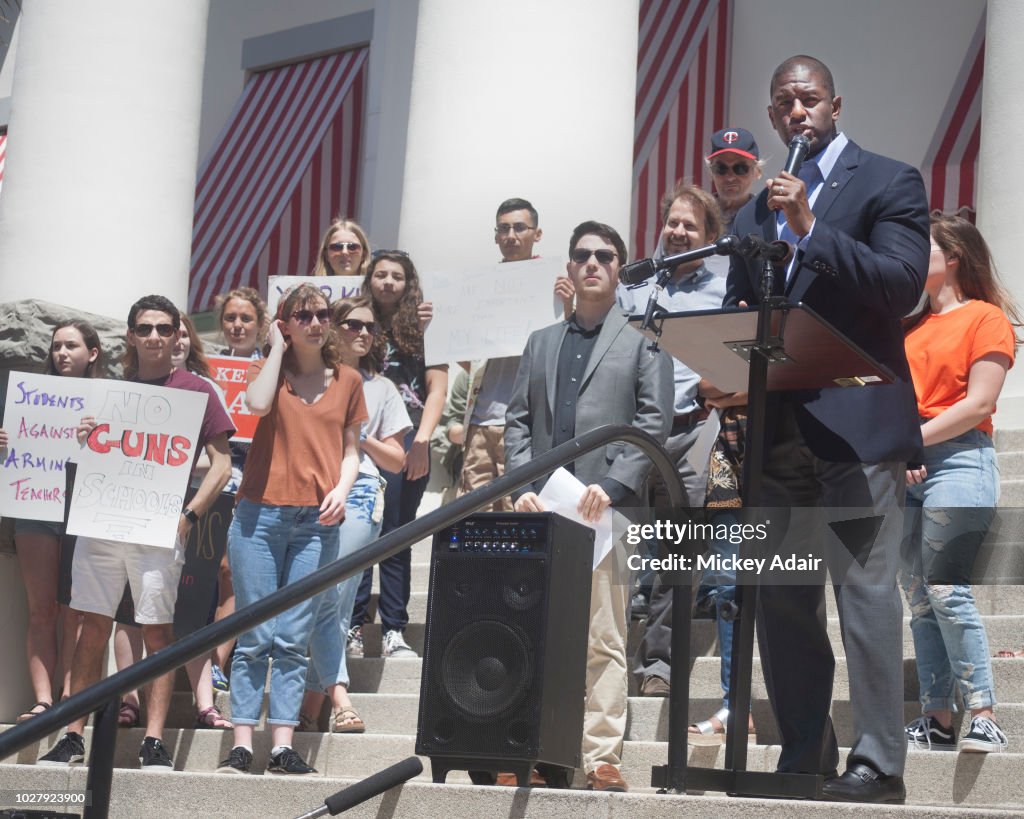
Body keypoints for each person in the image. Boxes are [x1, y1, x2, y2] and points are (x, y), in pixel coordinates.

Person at [724, 55, 930, 803]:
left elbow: (902, 286)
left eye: (808, 98)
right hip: (778, 423)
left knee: (864, 587)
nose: (797, 112)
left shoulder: (889, 181)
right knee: (780, 592)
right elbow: (745, 311)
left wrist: (811, 227)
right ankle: (804, 747)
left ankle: (880, 760)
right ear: (774, 118)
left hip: (857, 421)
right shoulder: (751, 210)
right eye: (784, 103)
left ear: (835, 105)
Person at [505, 220, 673, 791]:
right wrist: (520, 483)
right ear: (570, 268)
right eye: (583, 255)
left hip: (607, 508)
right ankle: (533, 746)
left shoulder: (644, 339)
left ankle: (602, 757)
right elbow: (519, 420)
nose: (593, 263)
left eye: (605, 255)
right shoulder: (540, 342)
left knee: (603, 637)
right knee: (536, 632)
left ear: (619, 268)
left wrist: (621, 481)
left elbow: (654, 421)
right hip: (544, 506)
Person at [39, 296, 234, 771]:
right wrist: (84, 440)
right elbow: (88, 462)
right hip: (102, 526)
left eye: (163, 329)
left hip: (158, 529)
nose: (154, 337)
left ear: (176, 335)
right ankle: (71, 737)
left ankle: (153, 741)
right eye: (144, 328)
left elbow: (224, 464)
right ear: (130, 336)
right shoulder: (112, 391)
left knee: (157, 631)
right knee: (90, 629)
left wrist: (188, 516)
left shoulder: (197, 390)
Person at [217, 284, 366, 776]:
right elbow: (256, 406)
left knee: (293, 635)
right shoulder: (270, 370)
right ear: (286, 322)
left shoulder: (348, 379)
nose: (315, 322)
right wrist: (276, 345)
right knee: (255, 633)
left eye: (322, 314)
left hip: (315, 522)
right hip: (258, 517)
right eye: (302, 315)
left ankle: (281, 744)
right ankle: (242, 742)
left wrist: (343, 489)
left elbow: (351, 451)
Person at [901, 215, 1018, 754]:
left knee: (947, 587)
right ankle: (938, 718)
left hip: (961, 460)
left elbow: (980, 403)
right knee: (919, 596)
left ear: (952, 256)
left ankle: (986, 715)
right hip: (912, 462)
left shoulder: (986, 318)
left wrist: (913, 441)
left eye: (918, 246)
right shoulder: (909, 327)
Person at [299, 297, 411, 733]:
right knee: (323, 600)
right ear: (331, 328)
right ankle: (312, 708)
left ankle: (335, 697)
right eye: (352, 324)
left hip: (361, 489)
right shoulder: (307, 379)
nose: (363, 332)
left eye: (369, 326)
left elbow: (397, 460)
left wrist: (356, 434)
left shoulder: (381, 388)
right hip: (306, 489)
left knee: (334, 596)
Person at [0, 321, 100, 724]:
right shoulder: (27, 397)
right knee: (41, 610)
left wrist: (101, 435)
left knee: (77, 610)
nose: (62, 353)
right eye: (57, 345)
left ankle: (70, 699)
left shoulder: (110, 398)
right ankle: (43, 702)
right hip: (35, 507)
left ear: (92, 352)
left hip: (86, 511)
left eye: (71, 345)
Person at [348, 252, 447, 660]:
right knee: (356, 534)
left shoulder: (425, 328)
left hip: (407, 440)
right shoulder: (353, 326)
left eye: (398, 277)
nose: (388, 282)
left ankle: (393, 628)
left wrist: (422, 441)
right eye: (381, 275)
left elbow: (437, 389)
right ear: (369, 279)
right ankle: (352, 624)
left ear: (409, 284)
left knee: (394, 535)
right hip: (357, 435)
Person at [457, 198, 543, 511]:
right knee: (471, 515)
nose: (511, 235)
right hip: (480, 418)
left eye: (519, 227)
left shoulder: (553, 284)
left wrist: (569, 304)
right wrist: (437, 332)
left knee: (517, 511)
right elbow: (468, 361)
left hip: (524, 422)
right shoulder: (480, 288)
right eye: (503, 228)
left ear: (537, 233)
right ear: (495, 236)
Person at [208, 286, 269, 693]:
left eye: (246, 318)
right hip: (212, 473)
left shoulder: (273, 365)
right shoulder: (207, 368)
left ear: (260, 324)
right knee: (205, 572)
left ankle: (217, 660)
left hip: (258, 476)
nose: (237, 325)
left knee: (231, 571)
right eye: (231, 318)